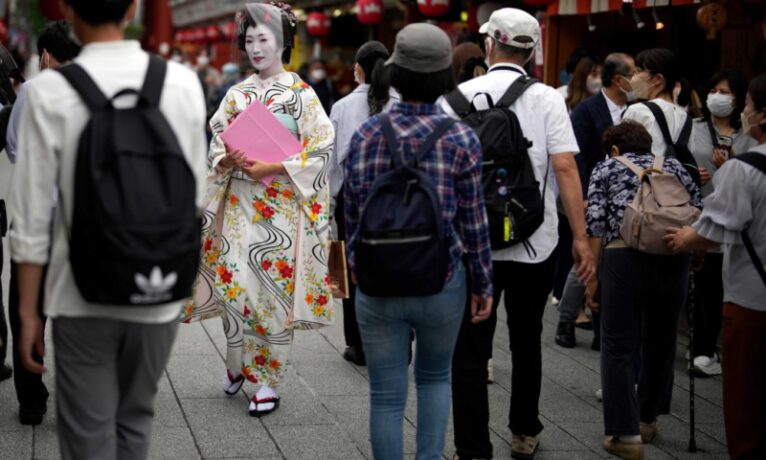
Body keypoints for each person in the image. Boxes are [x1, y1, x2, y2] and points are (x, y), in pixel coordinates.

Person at [9, 0, 207, 458]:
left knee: (86, 435)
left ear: (67, 6)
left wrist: (27, 311)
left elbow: (33, 219)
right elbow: (194, 194)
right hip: (158, 287)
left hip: (79, 293)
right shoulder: (180, 84)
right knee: (136, 419)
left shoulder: (45, 92)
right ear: (134, 6)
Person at [439, 8, 596, 460]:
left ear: (490, 45)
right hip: (535, 241)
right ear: (531, 51)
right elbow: (565, 166)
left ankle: (473, 447)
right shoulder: (548, 98)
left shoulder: (455, 97)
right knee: (527, 340)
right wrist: (581, 238)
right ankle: (524, 431)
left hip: (472, 245)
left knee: (470, 348)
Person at [344, 23, 494, 460]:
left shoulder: (367, 135)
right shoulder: (460, 137)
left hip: (378, 281)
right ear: (444, 77)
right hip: (441, 281)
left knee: (386, 397)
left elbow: (351, 213)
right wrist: (483, 285)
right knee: (434, 379)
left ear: (396, 74)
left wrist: (358, 269)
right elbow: (474, 223)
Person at [181, 2, 334, 417]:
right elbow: (217, 138)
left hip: (280, 207)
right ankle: (236, 365)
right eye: (249, 40)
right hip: (239, 204)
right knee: (234, 287)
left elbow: (321, 147)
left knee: (271, 294)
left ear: (283, 42)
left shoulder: (302, 94)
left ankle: (268, 378)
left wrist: (276, 164)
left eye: (263, 39)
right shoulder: (237, 93)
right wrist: (224, 159)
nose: (255, 47)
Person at [585, 121, 701, 459]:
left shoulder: (606, 167)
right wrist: (696, 255)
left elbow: (595, 222)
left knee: (619, 344)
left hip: (623, 256)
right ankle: (648, 419)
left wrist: (592, 277)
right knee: (662, 341)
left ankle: (625, 435)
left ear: (616, 150)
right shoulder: (676, 166)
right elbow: (697, 210)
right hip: (673, 253)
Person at [665, 74, 766, 460]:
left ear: (761, 114)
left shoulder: (746, 168)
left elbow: (715, 226)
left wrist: (683, 240)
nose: (743, 110)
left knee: (746, 402)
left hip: (751, 302)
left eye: (749, 104)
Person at [5, 19, 81, 425]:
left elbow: (14, 146)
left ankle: (32, 403)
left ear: (47, 55)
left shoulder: (34, 91)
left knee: (27, 311)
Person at [555, 52, 636, 350]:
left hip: (628, 198)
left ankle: (603, 327)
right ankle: (566, 319)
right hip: (593, 195)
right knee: (587, 258)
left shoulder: (638, 109)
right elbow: (575, 154)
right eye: (634, 72)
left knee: (610, 260)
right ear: (619, 79)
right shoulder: (587, 109)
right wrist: (585, 195)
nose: (637, 78)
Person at [328, 40, 399, 366]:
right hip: (394, 196)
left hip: (351, 198)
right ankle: (393, 336)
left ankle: (356, 342)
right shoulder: (400, 103)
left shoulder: (342, 107)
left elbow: (332, 162)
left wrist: (329, 200)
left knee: (346, 265)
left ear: (357, 67)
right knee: (390, 262)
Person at [687, 69, 756, 376]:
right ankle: (701, 346)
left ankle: (710, 347)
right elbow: (679, 162)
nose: (717, 96)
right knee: (703, 283)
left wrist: (728, 168)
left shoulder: (750, 134)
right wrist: (692, 173)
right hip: (700, 211)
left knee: (723, 286)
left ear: (739, 98)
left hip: (739, 219)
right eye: (713, 89)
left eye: (725, 91)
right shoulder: (693, 127)